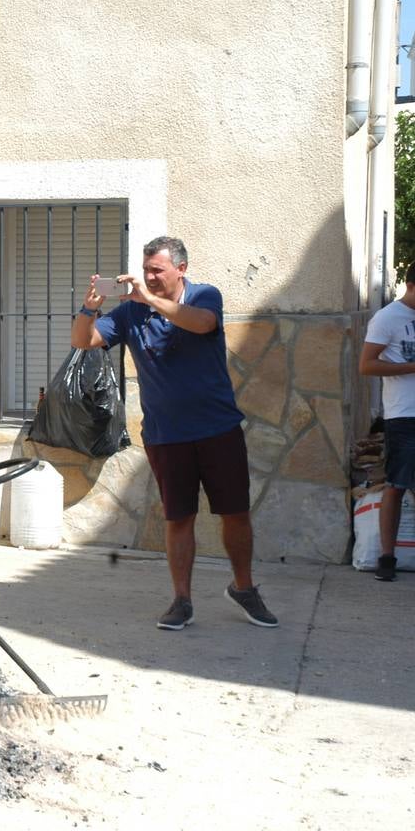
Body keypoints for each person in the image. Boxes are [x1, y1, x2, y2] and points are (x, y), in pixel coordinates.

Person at [70, 235, 278, 630]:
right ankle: (181, 600)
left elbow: (203, 324)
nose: (149, 276)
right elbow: (84, 341)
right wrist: (89, 309)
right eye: (146, 270)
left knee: (234, 513)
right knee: (178, 518)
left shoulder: (204, 295)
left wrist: (151, 299)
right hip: (167, 434)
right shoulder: (131, 311)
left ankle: (244, 587)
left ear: (181, 269)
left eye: (157, 270)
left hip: (218, 428)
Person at [357, 262, 415, 582]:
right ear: (411, 286)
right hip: (404, 415)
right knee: (396, 486)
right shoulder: (388, 318)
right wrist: (411, 368)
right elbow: (367, 366)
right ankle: (386, 557)